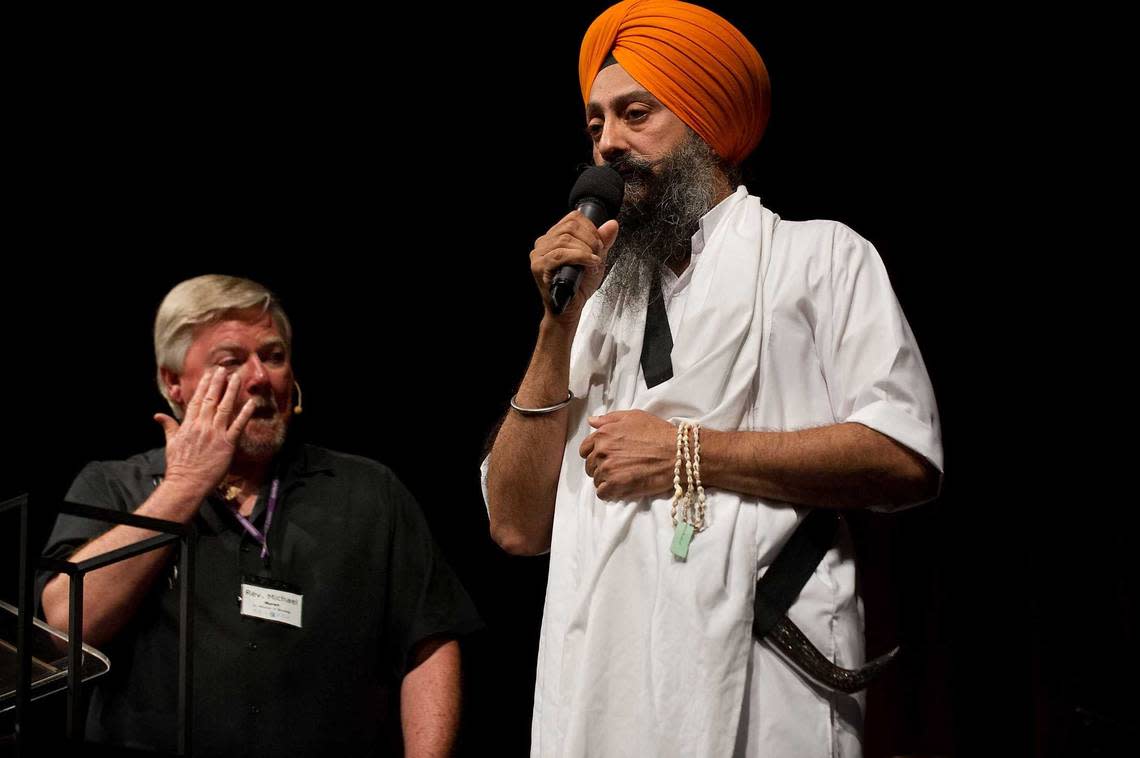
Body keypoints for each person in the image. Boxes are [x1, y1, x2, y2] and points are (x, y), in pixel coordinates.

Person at [482, 1, 943, 755]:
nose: (608, 146)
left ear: (705, 122)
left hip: (766, 678)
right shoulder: (592, 311)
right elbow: (515, 524)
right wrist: (556, 325)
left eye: (636, 114)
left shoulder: (820, 258)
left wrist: (687, 452)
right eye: (595, 123)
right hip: (601, 686)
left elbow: (904, 459)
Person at [38, 274, 481, 755]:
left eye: (273, 357)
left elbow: (430, 643)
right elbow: (66, 627)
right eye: (230, 361)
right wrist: (184, 485)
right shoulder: (112, 485)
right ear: (173, 382)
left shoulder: (369, 491)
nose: (259, 377)